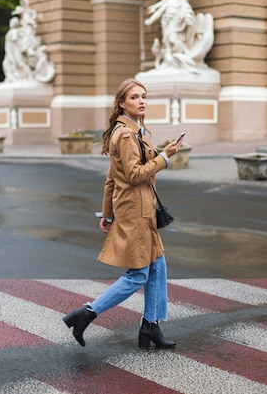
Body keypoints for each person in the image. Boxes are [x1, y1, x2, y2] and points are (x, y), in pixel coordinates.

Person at [63, 78, 184, 349]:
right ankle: (86, 314)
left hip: (139, 209)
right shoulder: (127, 134)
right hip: (135, 211)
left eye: (144, 96)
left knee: (158, 265)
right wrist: (164, 158)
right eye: (134, 97)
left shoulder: (131, 130)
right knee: (138, 274)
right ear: (122, 103)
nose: (141, 101)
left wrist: (106, 213)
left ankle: (150, 326)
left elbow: (111, 178)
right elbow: (133, 174)